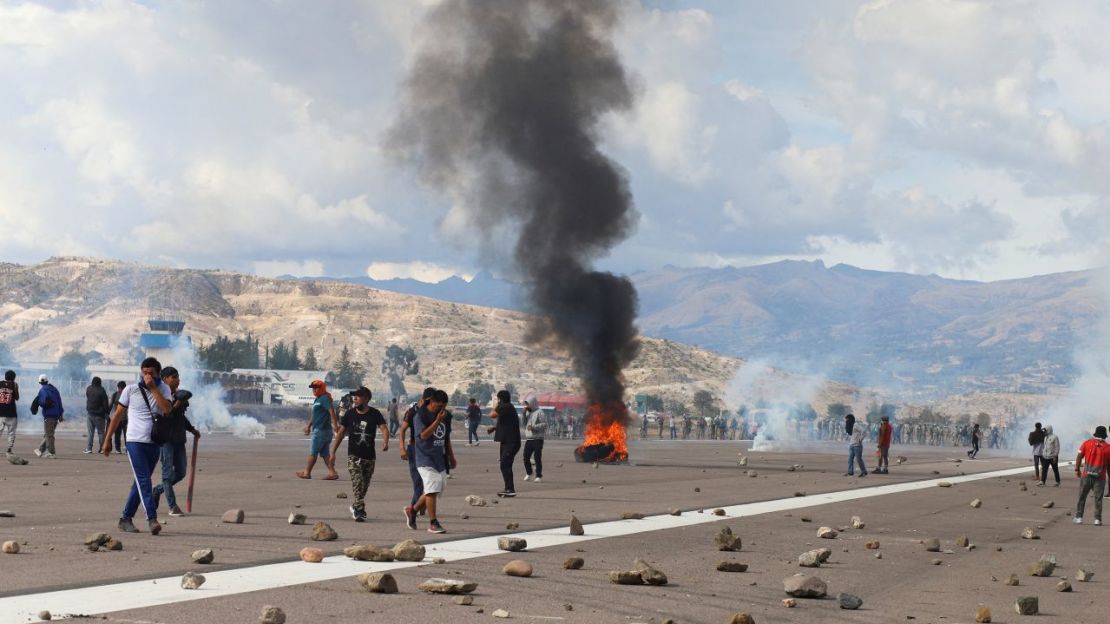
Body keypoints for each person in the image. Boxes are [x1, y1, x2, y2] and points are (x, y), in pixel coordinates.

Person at [103, 357, 174, 535]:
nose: (147, 376)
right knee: (144, 481)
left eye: (151, 373)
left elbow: (166, 409)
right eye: (144, 373)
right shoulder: (130, 390)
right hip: (135, 441)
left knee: (139, 483)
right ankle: (152, 518)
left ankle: (125, 518)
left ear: (158, 373)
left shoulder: (163, 389)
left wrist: (153, 388)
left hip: (154, 442)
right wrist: (107, 439)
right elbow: (117, 415)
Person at [331, 386, 388, 522]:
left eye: (358, 396)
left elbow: (384, 428)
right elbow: (340, 433)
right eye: (354, 396)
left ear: (366, 398)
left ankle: (356, 505)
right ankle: (360, 511)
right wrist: (333, 452)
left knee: (364, 485)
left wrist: (385, 442)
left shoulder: (375, 413)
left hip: (369, 456)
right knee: (358, 482)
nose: (354, 399)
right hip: (354, 456)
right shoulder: (350, 414)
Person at [403, 389, 455, 534]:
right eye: (438, 406)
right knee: (432, 489)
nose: (441, 410)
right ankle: (433, 523)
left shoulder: (446, 415)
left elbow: (446, 437)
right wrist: (437, 421)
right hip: (424, 457)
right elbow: (423, 436)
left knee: (435, 489)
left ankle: (412, 510)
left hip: (439, 458)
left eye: (444, 406)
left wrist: (451, 456)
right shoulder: (420, 416)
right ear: (431, 402)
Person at [151, 368, 200, 517]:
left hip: (179, 439)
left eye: (178, 377)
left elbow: (180, 418)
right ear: (165, 379)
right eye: (174, 377)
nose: (177, 379)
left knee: (181, 472)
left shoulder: (180, 396)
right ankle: (172, 506)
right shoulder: (160, 396)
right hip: (166, 440)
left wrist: (191, 429)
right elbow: (164, 416)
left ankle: (158, 490)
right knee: (167, 474)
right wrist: (175, 405)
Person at [399, 387, 437, 512]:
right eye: (430, 401)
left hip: (430, 449)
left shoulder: (436, 411)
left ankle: (419, 506)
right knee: (418, 481)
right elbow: (403, 429)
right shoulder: (413, 411)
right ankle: (414, 508)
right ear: (424, 399)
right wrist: (402, 448)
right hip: (415, 449)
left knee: (430, 481)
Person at [296, 380, 339, 480]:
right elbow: (314, 415)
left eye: (316, 387)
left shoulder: (324, 398)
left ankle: (307, 473)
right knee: (325, 454)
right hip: (322, 431)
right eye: (313, 388)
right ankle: (333, 473)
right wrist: (308, 426)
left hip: (321, 431)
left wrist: (336, 426)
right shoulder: (318, 399)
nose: (314, 390)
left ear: (322, 388)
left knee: (313, 452)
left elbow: (331, 411)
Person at [488, 390, 521, 497]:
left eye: (498, 399)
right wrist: (495, 428)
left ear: (500, 399)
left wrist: (496, 405)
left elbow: (492, 415)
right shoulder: (507, 407)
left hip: (511, 442)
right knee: (505, 465)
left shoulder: (505, 406)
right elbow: (507, 423)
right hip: (507, 441)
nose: (497, 401)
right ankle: (509, 489)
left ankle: (510, 489)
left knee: (505, 464)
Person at [1073, 425, 1108, 526]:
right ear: (1105, 435)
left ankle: (1079, 517)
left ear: (1095, 434)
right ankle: (1097, 519)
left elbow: (1079, 456)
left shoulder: (1087, 443)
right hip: (1100, 478)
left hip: (1086, 475)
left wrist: (1077, 469)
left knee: (1082, 497)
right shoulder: (1108, 448)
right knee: (1098, 499)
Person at [31, 374, 64, 458]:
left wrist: (40, 404)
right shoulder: (55, 389)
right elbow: (59, 402)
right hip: (56, 415)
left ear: (39, 382)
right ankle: (40, 450)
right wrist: (60, 414)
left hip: (49, 415)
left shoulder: (43, 390)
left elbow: (42, 402)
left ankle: (51, 453)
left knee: (49, 435)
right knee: (49, 433)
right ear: (47, 380)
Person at [84, 377, 110, 454]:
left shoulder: (89, 388)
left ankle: (89, 449)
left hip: (90, 414)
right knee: (101, 432)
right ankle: (102, 449)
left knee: (90, 433)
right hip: (99, 415)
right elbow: (105, 403)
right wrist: (107, 412)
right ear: (100, 382)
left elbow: (88, 397)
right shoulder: (101, 390)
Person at [522, 398, 546, 483]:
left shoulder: (540, 412)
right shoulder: (528, 412)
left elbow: (544, 424)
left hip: (538, 438)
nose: (527, 406)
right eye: (526, 404)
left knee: (537, 457)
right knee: (525, 457)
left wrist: (534, 427)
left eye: (528, 404)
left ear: (532, 403)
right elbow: (524, 424)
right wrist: (524, 414)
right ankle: (529, 472)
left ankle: (538, 475)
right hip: (529, 438)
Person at [0, 370, 19, 454]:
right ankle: (9, 448)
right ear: (14, 377)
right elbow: (17, 397)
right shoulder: (14, 385)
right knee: (11, 432)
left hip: (0, 412)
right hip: (11, 412)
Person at [845, 413, 868, 477]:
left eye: (847, 420)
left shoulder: (855, 425)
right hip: (851, 445)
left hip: (857, 446)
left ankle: (864, 472)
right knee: (850, 459)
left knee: (859, 459)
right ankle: (850, 472)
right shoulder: (850, 427)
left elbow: (864, 431)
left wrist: (860, 439)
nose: (846, 421)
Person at [109, 381, 127, 454]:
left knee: (127, 435)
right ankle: (118, 449)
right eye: (119, 388)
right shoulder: (115, 395)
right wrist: (107, 414)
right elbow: (110, 405)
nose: (120, 390)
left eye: (122, 389)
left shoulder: (127, 395)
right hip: (117, 418)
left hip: (126, 418)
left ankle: (127, 448)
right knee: (117, 434)